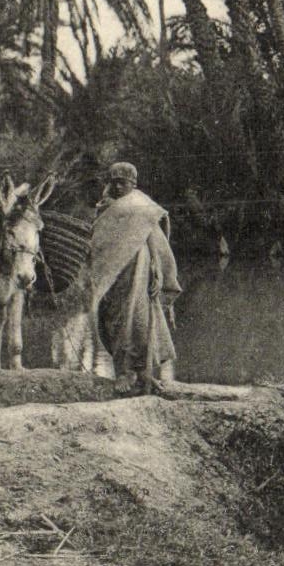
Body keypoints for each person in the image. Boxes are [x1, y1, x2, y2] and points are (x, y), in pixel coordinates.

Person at [88, 162, 181, 393]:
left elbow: (154, 239)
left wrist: (157, 270)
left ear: (133, 183)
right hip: (115, 276)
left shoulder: (142, 206)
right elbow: (99, 243)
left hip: (141, 272)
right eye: (114, 181)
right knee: (117, 321)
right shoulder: (106, 208)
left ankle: (145, 374)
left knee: (143, 321)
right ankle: (123, 373)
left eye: (123, 182)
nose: (118, 187)